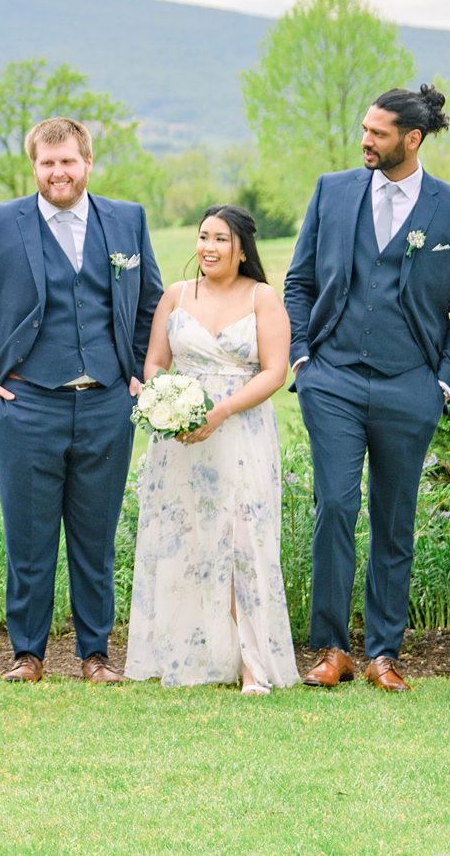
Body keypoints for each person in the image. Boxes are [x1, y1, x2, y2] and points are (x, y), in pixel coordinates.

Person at [286, 83, 450, 692]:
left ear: (412, 138)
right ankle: (330, 650)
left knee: (395, 521)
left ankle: (383, 653)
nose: (365, 140)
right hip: (334, 380)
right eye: (365, 129)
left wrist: (443, 385)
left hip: (410, 387)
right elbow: (298, 282)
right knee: (336, 508)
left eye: (377, 132)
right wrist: (302, 361)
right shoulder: (333, 191)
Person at [0, 116, 162, 683]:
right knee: (29, 535)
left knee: (97, 539)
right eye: (47, 163)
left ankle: (96, 654)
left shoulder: (127, 220)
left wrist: (142, 377)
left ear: (87, 163)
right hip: (25, 404)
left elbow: (151, 305)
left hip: (106, 403)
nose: (58, 172)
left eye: (68, 161)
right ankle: (29, 653)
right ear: (35, 167)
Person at [124, 206, 298, 693]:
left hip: (240, 435)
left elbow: (274, 372)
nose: (209, 248)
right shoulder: (177, 296)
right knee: (185, 537)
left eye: (221, 239)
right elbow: (156, 361)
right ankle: (189, 655)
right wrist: (169, 405)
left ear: (242, 248)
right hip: (180, 441)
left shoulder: (262, 297)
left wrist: (217, 412)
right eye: (203, 237)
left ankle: (252, 664)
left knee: (242, 540)